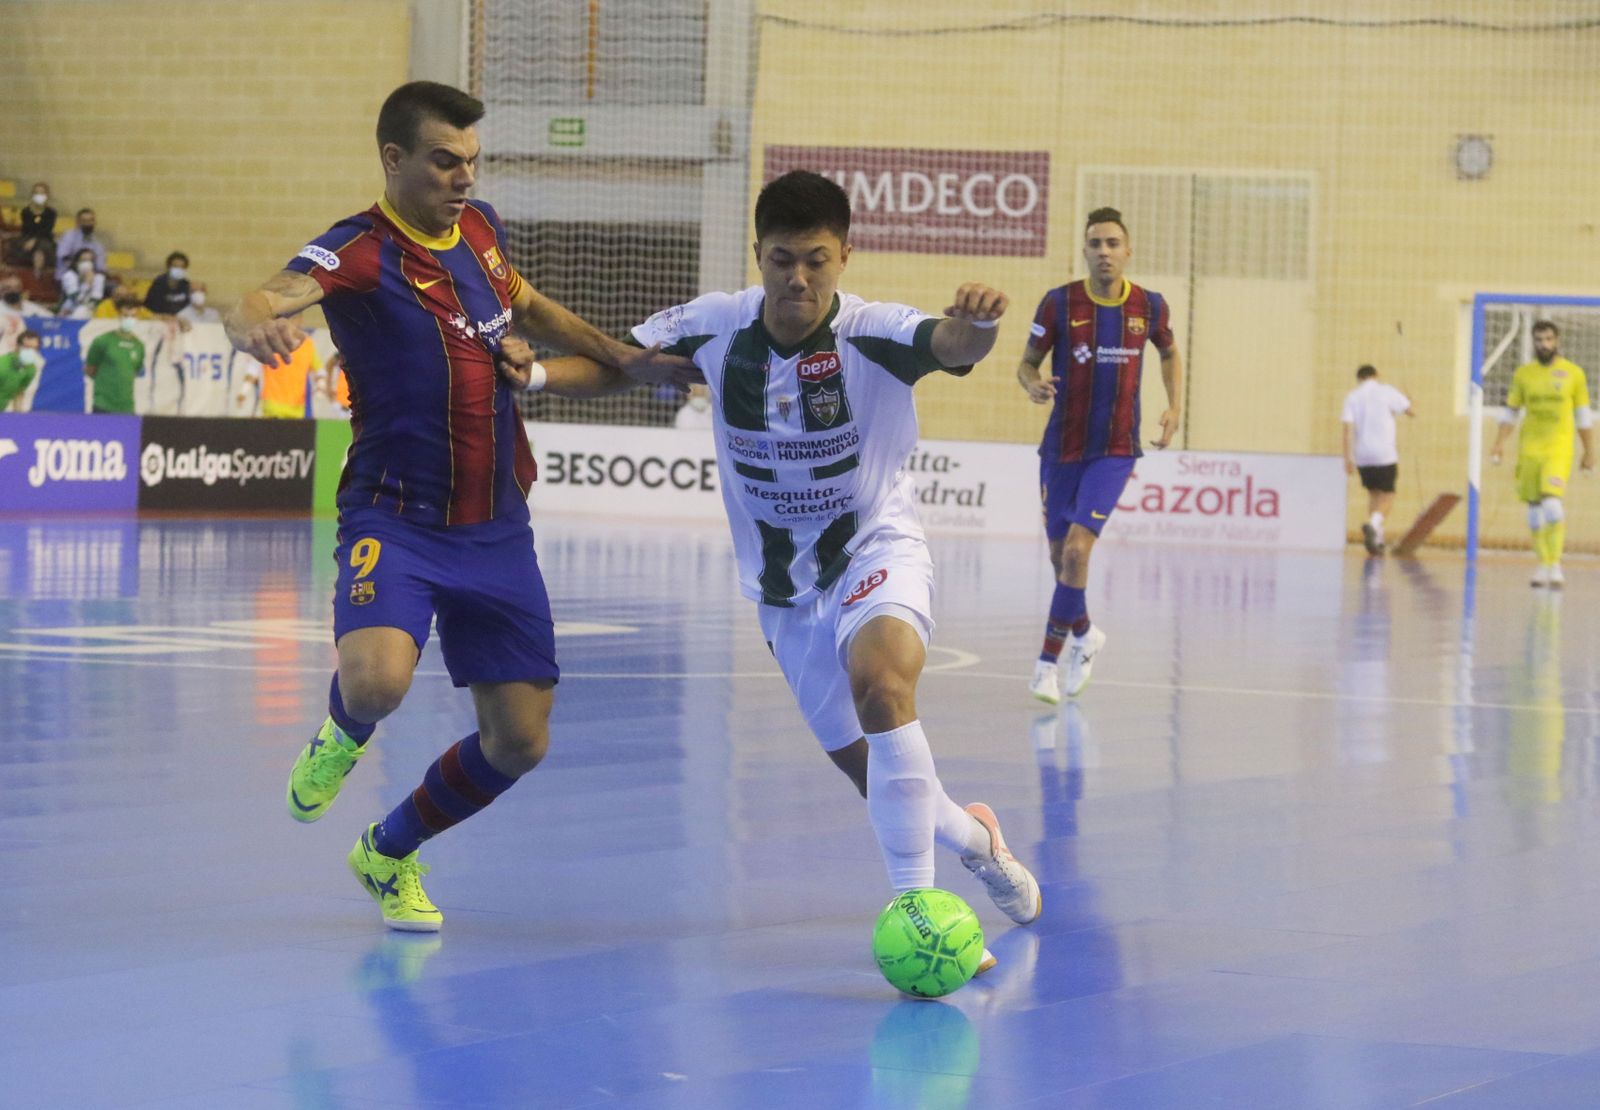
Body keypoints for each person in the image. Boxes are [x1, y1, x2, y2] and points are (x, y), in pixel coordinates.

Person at [531, 171, 1043, 970]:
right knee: (871, 773)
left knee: (884, 685)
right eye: (781, 261)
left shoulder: (871, 332)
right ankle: (977, 838)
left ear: (844, 255)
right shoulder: (714, 325)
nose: (797, 278)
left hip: (876, 547)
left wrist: (976, 326)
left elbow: (948, 345)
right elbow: (622, 362)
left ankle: (920, 907)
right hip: (782, 594)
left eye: (815, 260)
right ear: (759, 257)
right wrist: (527, 376)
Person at [224, 81, 688, 932]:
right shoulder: (357, 250)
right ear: (395, 159)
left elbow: (527, 304)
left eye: (472, 160)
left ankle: (387, 851)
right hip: (394, 515)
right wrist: (249, 322)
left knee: (520, 742)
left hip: (496, 525)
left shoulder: (480, 229)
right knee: (375, 685)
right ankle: (339, 735)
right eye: (445, 160)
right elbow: (268, 295)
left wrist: (617, 354)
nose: (463, 176)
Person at [1017, 207, 1182, 703]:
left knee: (1077, 550)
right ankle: (1085, 632)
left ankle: (1049, 663)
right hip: (1061, 448)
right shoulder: (1059, 303)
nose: (1104, 252)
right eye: (1096, 244)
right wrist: (1033, 385)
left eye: (1113, 243)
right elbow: (1026, 364)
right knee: (1058, 557)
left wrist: (1175, 406)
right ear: (1085, 250)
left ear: (1128, 250)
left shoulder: (1150, 306)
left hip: (1114, 450)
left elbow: (1169, 352)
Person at [1490, 320, 1594, 588]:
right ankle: (1542, 565)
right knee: (1535, 508)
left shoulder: (1573, 373)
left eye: (1549, 339)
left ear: (1557, 340)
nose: (1544, 344)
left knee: (1551, 502)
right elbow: (1511, 411)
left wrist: (1589, 450)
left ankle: (1556, 565)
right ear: (1534, 342)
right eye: (1539, 340)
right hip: (1530, 449)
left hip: (1558, 448)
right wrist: (1499, 442)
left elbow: (1582, 416)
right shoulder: (1524, 374)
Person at [1341, 364, 1414, 554]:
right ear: (1376, 376)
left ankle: (1377, 538)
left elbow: (1347, 429)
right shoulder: (1387, 391)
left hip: (1363, 454)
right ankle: (1373, 525)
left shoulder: (1352, 397)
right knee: (1388, 494)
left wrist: (1347, 457)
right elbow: (1411, 411)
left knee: (1373, 494)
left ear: (1359, 379)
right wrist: (1409, 401)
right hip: (1384, 453)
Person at [235, 313, 320, 417]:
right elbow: (254, 368)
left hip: (297, 409)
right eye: (288, 319)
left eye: (294, 319)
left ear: (301, 320)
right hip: (272, 406)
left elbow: (319, 370)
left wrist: (321, 385)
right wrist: (244, 391)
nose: (291, 323)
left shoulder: (308, 344)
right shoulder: (270, 340)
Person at [84, 294, 144, 414]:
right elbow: (90, 369)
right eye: (125, 316)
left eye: (132, 316)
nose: (129, 319)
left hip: (127, 406)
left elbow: (134, 371)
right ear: (119, 315)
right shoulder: (102, 341)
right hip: (103, 404)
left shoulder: (139, 345)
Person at [7, 182, 57, 266]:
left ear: (47, 195)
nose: (39, 195)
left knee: (41, 249)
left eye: (42, 193)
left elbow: (46, 230)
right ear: (32, 195)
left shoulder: (51, 213)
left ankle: (38, 272)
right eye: (36, 193)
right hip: (27, 238)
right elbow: (27, 229)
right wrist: (31, 240)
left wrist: (35, 240)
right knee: (16, 246)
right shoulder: (26, 212)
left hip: (45, 239)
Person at [54, 208, 106, 281]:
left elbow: (100, 267)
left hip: (90, 279)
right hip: (67, 277)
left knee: (116, 288)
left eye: (90, 220)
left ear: (94, 222)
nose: (87, 224)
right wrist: (81, 269)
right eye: (84, 221)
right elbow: (63, 257)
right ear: (78, 222)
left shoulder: (97, 244)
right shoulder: (68, 237)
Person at [0, 329, 44, 411]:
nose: (31, 351)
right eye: (27, 347)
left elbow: (18, 393)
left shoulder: (31, 370)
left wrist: (19, 419)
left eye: (34, 348)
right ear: (17, 346)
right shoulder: (2, 364)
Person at [57, 248, 106, 319]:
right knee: (79, 310)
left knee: (83, 310)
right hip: (68, 311)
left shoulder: (99, 278)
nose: (87, 264)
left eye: (90, 261)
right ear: (77, 262)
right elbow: (75, 299)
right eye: (84, 260)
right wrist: (87, 284)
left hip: (89, 312)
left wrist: (89, 283)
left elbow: (95, 302)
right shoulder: (69, 276)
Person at [144, 251, 193, 317]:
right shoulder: (159, 283)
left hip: (179, 319)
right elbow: (151, 306)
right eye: (175, 266)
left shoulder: (185, 285)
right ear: (169, 267)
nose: (179, 269)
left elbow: (188, 306)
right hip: (159, 319)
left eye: (182, 267)